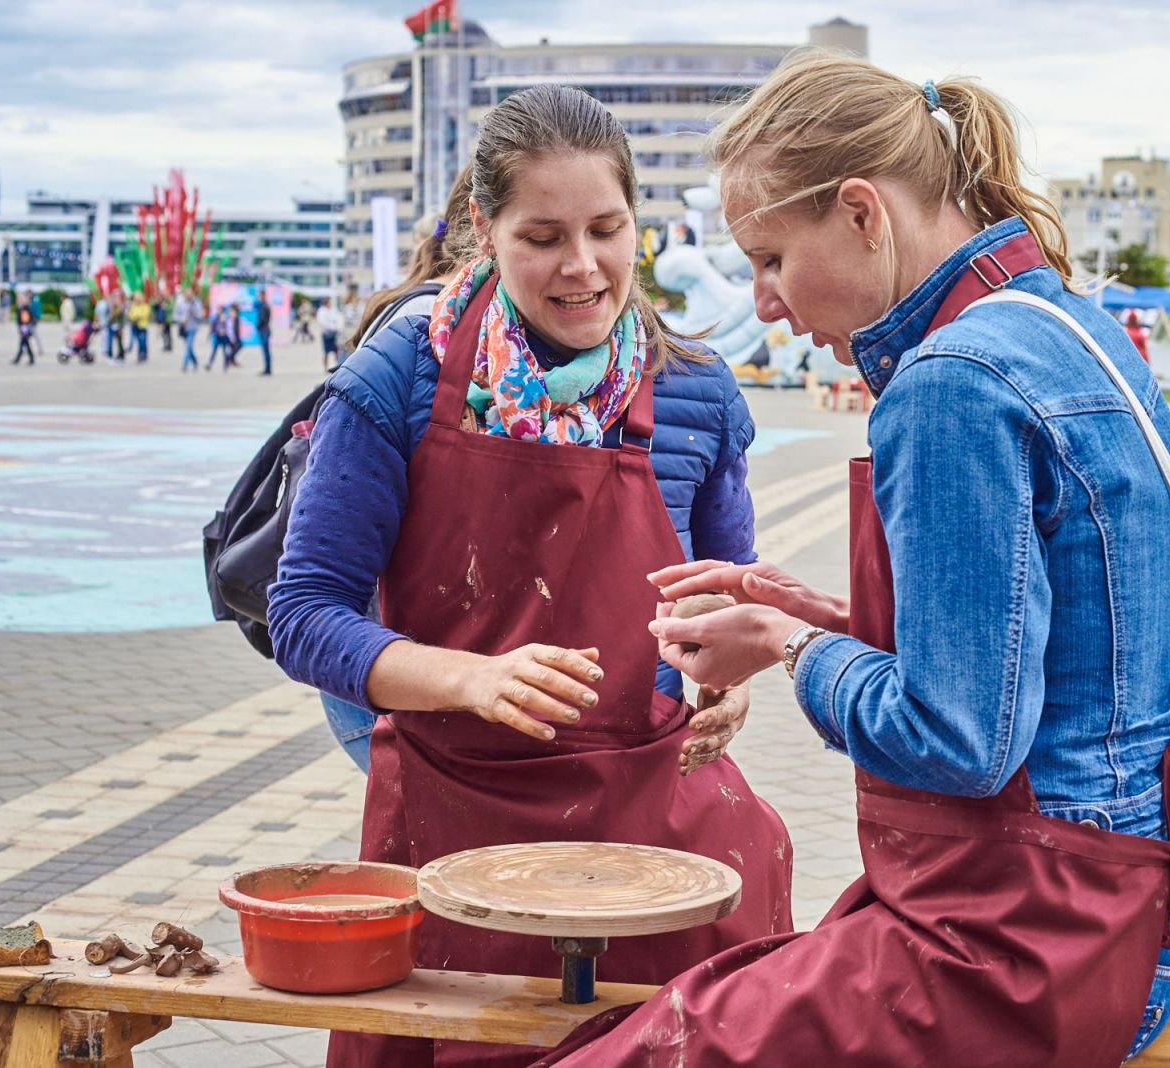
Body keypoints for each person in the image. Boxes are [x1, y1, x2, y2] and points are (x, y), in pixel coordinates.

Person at [536, 56, 1170, 1067]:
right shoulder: (1072, 328)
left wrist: (789, 645)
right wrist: (811, 610)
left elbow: (959, 740)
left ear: (862, 213)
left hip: (1021, 943)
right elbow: (1045, 655)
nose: (766, 304)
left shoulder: (951, 385)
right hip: (1133, 913)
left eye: (771, 258)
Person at [266, 85, 793, 1068]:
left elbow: (723, 588)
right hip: (456, 810)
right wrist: (470, 679)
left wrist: (725, 676)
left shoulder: (695, 389)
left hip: (650, 808)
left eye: (607, 229)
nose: (582, 266)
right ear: (485, 227)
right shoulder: (399, 377)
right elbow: (304, 614)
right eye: (543, 237)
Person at [315, 165, 475, 773]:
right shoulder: (422, 332)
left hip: (405, 674)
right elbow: (311, 599)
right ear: (486, 233)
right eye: (542, 236)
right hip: (389, 678)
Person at [177, 290, 203, 371]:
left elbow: (200, 316)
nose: (189, 296)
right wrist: (181, 320)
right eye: (187, 295)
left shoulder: (197, 303)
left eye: (190, 295)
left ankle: (184, 365)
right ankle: (195, 361)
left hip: (193, 328)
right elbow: (176, 315)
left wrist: (195, 313)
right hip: (184, 328)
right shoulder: (181, 303)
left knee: (188, 346)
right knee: (189, 347)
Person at [316, 298, 344, 371]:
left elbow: (338, 318)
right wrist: (332, 327)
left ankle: (338, 366)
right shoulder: (322, 311)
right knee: (326, 352)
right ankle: (325, 367)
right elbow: (322, 322)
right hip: (326, 334)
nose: (330, 304)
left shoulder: (333, 310)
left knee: (336, 351)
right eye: (329, 302)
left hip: (335, 333)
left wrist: (338, 327)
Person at [253, 294, 273, 375]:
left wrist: (258, 326)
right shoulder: (266, 306)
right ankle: (267, 369)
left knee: (265, 351)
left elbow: (263, 319)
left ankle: (267, 369)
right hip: (265, 329)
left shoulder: (263, 307)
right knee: (266, 351)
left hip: (264, 330)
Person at [129, 294, 152, 364]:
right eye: (136, 298)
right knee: (138, 341)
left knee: (143, 341)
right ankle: (140, 354)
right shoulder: (133, 306)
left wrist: (137, 316)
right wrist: (136, 316)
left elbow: (146, 314)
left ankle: (143, 353)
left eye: (139, 298)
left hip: (142, 326)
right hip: (135, 326)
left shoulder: (145, 306)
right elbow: (131, 316)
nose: (137, 299)